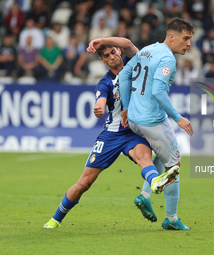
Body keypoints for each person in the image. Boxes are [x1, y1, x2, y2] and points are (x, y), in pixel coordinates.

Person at [43, 37, 180, 229]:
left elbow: (129, 43)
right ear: (103, 61)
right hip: (112, 135)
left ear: (120, 51)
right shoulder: (106, 82)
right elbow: (100, 100)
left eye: (114, 51)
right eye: (106, 55)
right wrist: (98, 108)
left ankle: (154, 184)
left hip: (134, 131)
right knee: (84, 183)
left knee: (144, 157)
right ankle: (55, 219)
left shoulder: (138, 64)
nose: (112, 56)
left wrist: (101, 40)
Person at [119, 18, 194, 230]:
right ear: (172, 36)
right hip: (152, 120)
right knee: (174, 166)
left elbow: (124, 75)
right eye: (185, 38)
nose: (188, 43)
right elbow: (158, 92)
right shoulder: (167, 59)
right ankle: (171, 219)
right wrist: (179, 118)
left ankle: (144, 194)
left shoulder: (147, 50)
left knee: (163, 156)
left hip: (134, 118)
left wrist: (126, 107)